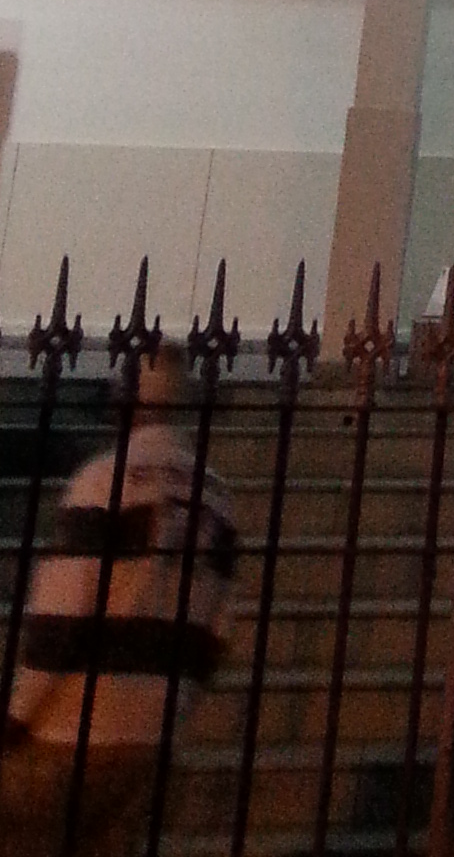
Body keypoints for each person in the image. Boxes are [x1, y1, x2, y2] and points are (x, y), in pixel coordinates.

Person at [3, 342, 237, 852]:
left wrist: (15, 718)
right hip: (153, 733)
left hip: (73, 728)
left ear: (123, 400)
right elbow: (219, 627)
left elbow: (62, 620)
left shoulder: (102, 481)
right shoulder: (216, 495)